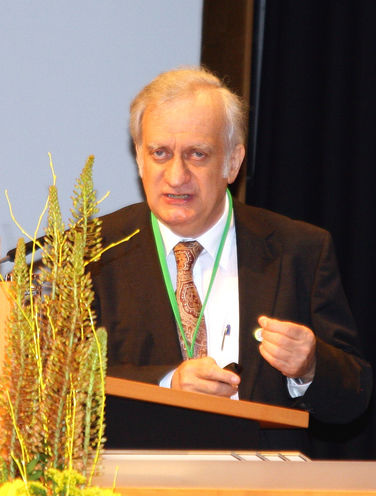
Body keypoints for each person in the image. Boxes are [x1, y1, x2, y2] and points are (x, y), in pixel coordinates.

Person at [89, 67, 372, 451]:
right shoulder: (92, 252)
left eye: (197, 155)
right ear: (139, 158)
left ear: (233, 162)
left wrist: (311, 367)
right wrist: (168, 384)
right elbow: (59, 384)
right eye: (160, 153)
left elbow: (353, 397)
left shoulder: (299, 250)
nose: (176, 176)